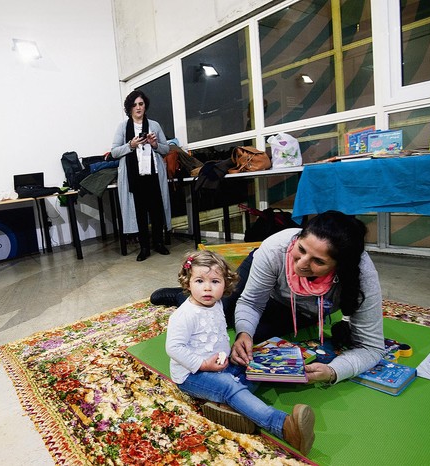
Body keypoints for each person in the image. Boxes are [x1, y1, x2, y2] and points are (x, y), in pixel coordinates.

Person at [165, 250, 316, 455]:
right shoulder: (184, 315)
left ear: (225, 284)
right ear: (188, 282)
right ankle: (284, 426)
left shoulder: (216, 303)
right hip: (192, 375)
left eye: (215, 281)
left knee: (252, 366)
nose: (207, 288)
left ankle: (227, 408)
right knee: (229, 386)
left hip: (221, 365)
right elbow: (173, 348)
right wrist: (203, 365)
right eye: (199, 281)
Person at [229, 210, 386, 386]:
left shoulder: (362, 276)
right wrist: (244, 332)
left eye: (318, 261)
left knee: (260, 340)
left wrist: (333, 371)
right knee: (216, 303)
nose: (301, 264)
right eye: (301, 249)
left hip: (298, 309)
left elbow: (372, 348)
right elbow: (252, 301)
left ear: (339, 267)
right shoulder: (276, 248)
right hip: (266, 273)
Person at [110, 90, 171, 261]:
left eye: (141, 104)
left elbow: (166, 150)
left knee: (157, 211)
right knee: (140, 213)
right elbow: (114, 152)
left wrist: (154, 144)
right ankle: (144, 247)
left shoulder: (154, 125)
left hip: (153, 175)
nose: (138, 107)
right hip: (134, 177)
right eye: (135, 104)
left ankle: (158, 243)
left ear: (145, 106)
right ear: (129, 107)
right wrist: (131, 145)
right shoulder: (123, 127)